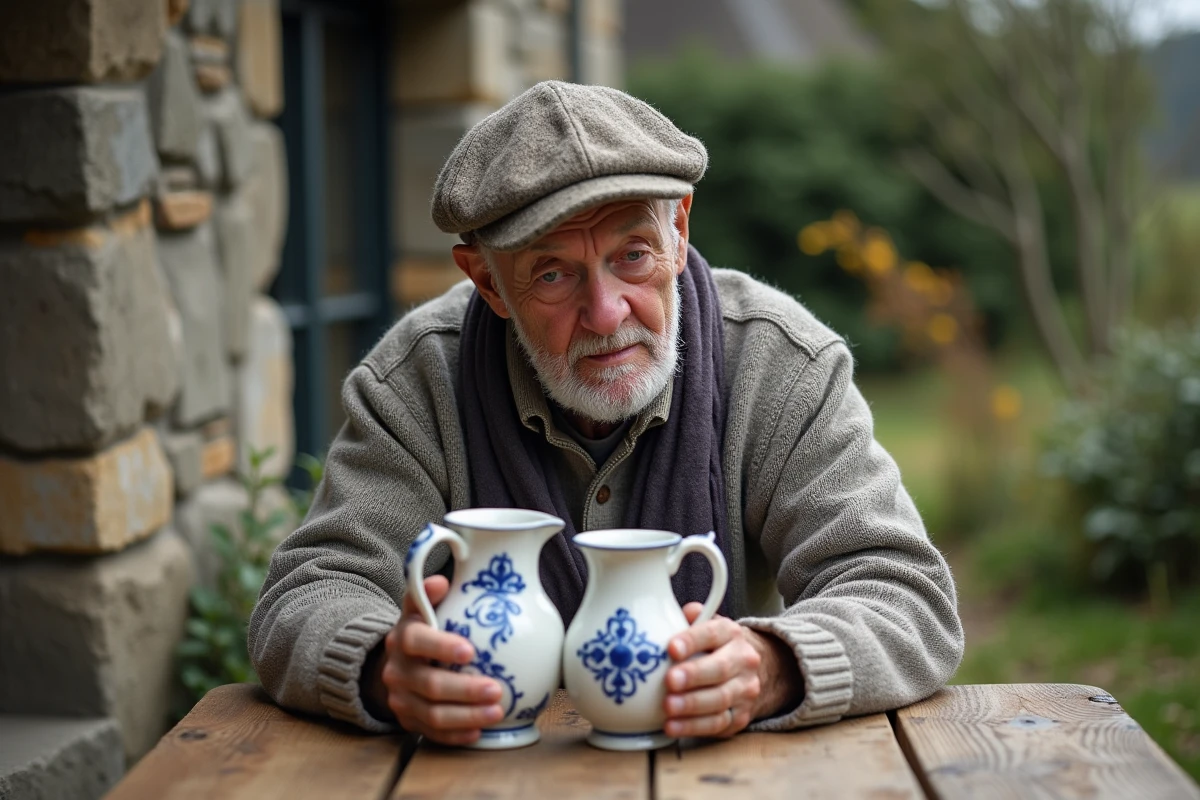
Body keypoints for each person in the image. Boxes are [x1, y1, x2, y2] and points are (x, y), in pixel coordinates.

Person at [249, 80, 963, 745]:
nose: (605, 312)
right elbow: (309, 593)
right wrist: (383, 668)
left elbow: (903, 593)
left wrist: (773, 663)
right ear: (487, 283)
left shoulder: (781, 367)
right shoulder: (416, 382)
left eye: (633, 254)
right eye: (552, 273)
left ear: (679, 229)